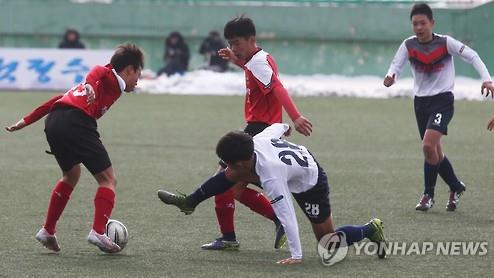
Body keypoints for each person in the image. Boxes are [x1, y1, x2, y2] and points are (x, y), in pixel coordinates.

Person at [158, 123, 386, 264]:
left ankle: (369, 229)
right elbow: (276, 127)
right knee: (232, 178)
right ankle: (190, 201)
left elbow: (287, 215)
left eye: (229, 163)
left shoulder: (271, 177)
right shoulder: (256, 141)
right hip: (290, 166)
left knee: (328, 242)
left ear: (241, 161)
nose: (226, 167)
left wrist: (296, 256)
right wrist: (286, 126)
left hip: (310, 182)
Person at [188, 15, 313, 251]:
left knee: (225, 181)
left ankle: (241, 233)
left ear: (251, 39)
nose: (233, 47)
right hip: (265, 127)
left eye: (237, 43)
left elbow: (277, 88)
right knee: (234, 187)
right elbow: (260, 75)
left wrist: (295, 117)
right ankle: (249, 231)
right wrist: (236, 60)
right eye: (230, 43)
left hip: (259, 128)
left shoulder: (258, 63)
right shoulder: (259, 58)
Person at [5, 43, 144, 253]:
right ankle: (98, 231)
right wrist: (89, 84)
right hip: (76, 122)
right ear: (129, 70)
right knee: (108, 179)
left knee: (71, 175)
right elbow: (97, 70)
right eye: (138, 74)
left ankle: (47, 231)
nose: (138, 80)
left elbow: (56, 100)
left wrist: (25, 121)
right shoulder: (107, 75)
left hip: (55, 122)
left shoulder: (104, 84)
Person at [383, 3, 494, 212]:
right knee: (434, 152)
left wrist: (487, 79)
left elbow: (472, 55)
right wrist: (391, 76)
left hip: (443, 101)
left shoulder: (445, 43)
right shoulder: (408, 45)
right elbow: (395, 65)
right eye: (415, 23)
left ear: (432, 23)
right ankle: (455, 186)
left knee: (427, 146)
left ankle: (428, 195)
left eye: (422, 23)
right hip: (420, 103)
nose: (418, 27)